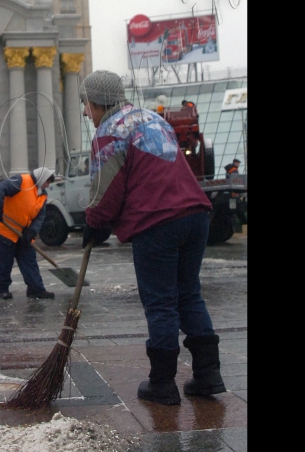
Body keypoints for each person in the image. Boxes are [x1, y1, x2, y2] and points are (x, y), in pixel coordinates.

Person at [79, 70, 225, 406]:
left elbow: (106, 187)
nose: (85, 112)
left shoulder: (109, 132)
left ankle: (162, 384)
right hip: (195, 215)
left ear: (97, 102)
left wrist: (95, 222)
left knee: (160, 301)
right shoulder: (149, 118)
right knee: (189, 294)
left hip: (157, 222)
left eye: (85, 103)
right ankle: (208, 374)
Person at [0, 167, 56, 300]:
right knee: (4, 260)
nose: (48, 185)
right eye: (47, 181)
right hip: (4, 229)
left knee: (29, 259)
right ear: (42, 178)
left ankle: (36, 289)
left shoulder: (42, 195)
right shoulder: (21, 181)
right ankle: (1, 290)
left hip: (22, 233)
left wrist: (32, 232)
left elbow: (40, 217)